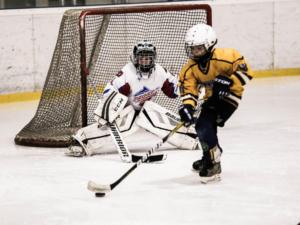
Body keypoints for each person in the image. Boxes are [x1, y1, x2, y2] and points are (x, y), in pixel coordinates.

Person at [66, 40, 198, 157]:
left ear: (154, 59)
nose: (145, 62)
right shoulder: (127, 73)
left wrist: (195, 88)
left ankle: (190, 137)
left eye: (148, 59)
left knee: (151, 111)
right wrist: (109, 110)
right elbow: (110, 91)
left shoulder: (160, 72)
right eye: (142, 59)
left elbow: (174, 90)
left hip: (142, 110)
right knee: (127, 124)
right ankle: (81, 140)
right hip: (124, 110)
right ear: (135, 59)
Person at [178, 24, 253, 183]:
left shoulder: (227, 56)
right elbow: (190, 90)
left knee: (204, 125)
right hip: (211, 99)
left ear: (209, 45)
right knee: (203, 126)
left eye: (198, 48)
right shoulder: (189, 68)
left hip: (230, 97)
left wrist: (229, 82)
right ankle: (208, 157)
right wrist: (188, 107)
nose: (194, 52)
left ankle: (214, 163)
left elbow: (247, 73)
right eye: (192, 48)